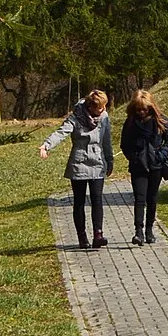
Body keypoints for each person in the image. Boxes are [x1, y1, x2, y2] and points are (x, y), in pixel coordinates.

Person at [40, 89, 114, 248]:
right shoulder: (76, 117)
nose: (102, 110)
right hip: (79, 162)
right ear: (90, 107)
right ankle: (82, 237)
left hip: (98, 162)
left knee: (97, 199)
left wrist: (110, 159)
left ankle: (98, 235)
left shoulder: (104, 117)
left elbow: (107, 139)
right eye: (100, 108)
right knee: (79, 201)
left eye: (104, 107)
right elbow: (61, 133)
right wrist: (46, 146)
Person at [120, 88, 168, 246]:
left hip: (155, 165)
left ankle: (149, 230)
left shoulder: (160, 120)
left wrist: (161, 155)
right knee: (139, 199)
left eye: (144, 109)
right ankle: (138, 232)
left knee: (152, 198)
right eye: (138, 109)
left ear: (150, 107)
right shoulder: (131, 122)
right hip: (138, 166)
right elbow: (124, 144)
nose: (141, 112)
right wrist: (133, 157)